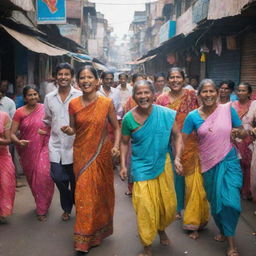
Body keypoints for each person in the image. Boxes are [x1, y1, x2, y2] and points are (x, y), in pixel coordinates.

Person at [182, 79, 246, 256]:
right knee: (216, 202)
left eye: (212, 91)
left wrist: (239, 132)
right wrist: (180, 160)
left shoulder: (227, 110)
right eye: (205, 92)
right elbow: (182, 140)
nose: (208, 95)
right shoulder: (192, 116)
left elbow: (241, 130)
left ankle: (231, 244)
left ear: (217, 93)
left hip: (229, 161)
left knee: (231, 203)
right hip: (207, 164)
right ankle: (224, 230)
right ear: (199, 94)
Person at [61, 66, 120, 255]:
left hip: (101, 154)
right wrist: (68, 131)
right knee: (84, 194)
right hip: (81, 153)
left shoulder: (106, 103)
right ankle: (83, 238)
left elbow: (116, 128)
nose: (86, 81)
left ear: (97, 81)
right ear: (77, 82)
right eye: (82, 78)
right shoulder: (73, 104)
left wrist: (116, 146)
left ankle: (97, 232)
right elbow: (73, 129)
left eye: (89, 77)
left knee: (100, 194)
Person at [120, 80, 183, 256]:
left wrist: (177, 158)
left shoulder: (166, 114)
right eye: (139, 93)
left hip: (163, 163)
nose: (143, 96)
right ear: (134, 96)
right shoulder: (128, 119)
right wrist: (123, 165)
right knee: (145, 207)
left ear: (154, 94)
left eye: (146, 92)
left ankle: (161, 230)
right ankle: (147, 243)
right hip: (140, 167)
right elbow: (124, 142)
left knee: (167, 206)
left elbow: (177, 136)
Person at [156, 67, 209, 240]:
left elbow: (205, 112)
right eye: (171, 77)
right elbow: (158, 121)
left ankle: (194, 220)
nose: (175, 80)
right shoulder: (161, 99)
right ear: (167, 80)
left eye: (178, 77)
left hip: (193, 144)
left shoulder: (193, 95)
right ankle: (178, 208)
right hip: (170, 144)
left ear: (184, 78)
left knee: (195, 184)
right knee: (176, 180)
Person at [43, 63, 82, 221]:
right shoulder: (48, 97)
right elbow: (48, 119)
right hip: (56, 145)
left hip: (76, 145)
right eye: (60, 74)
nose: (63, 77)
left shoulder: (79, 95)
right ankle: (70, 202)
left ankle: (68, 208)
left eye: (67, 74)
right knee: (58, 177)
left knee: (75, 180)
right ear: (56, 77)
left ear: (71, 77)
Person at [10, 86, 54, 221]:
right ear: (25, 98)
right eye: (30, 95)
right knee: (33, 180)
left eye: (35, 94)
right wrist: (19, 141)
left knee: (43, 175)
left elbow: (53, 126)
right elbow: (11, 133)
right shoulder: (19, 112)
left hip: (45, 146)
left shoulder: (44, 108)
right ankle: (41, 203)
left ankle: (42, 209)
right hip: (27, 149)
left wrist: (46, 132)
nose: (33, 97)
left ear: (38, 96)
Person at [232, 82, 254, 200]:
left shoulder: (253, 105)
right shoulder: (232, 105)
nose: (240, 93)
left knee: (249, 166)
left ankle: (248, 190)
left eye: (243, 90)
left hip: (250, 140)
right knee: (237, 165)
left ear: (249, 93)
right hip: (235, 139)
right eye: (239, 90)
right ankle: (236, 189)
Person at [0, 111, 15, 223]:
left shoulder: (4, 116)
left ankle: (3, 211)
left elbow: (9, 140)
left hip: (3, 156)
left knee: (6, 183)